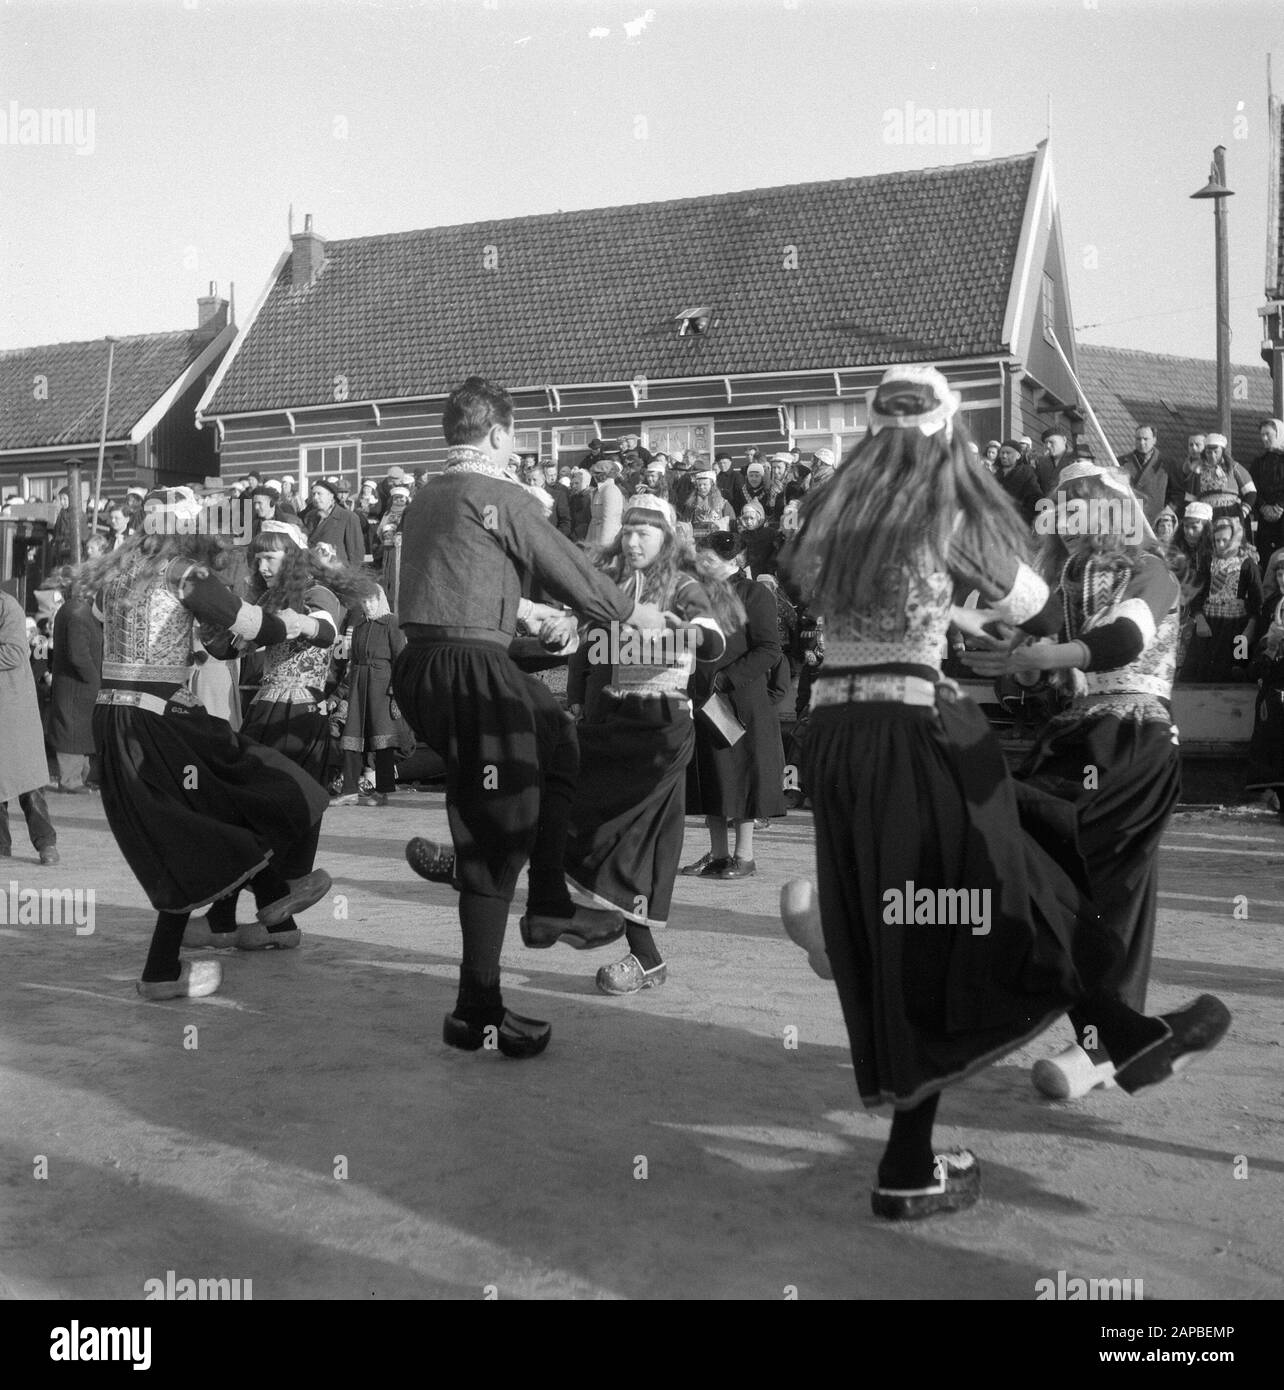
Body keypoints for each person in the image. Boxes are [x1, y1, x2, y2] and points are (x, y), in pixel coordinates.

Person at [780, 366, 1231, 1219]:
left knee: (937, 904)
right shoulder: (943, 502)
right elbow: (1029, 603)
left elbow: (869, 606)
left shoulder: (835, 510)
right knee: (1010, 888)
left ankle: (926, 1136)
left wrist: (948, 619)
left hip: (835, 735)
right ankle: (1117, 1035)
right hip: (919, 724)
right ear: (945, 431)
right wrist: (1000, 616)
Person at [391, 377, 669, 1059]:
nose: (516, 451)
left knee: (550, 742)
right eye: (514, 439)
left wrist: (522, 612)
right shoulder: (498, 493)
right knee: (501, 831)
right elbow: (567, 567)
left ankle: (539, 907)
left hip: (425, 668)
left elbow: (449, 579)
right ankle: (493, 982)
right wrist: (634, 613)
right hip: (471, 670)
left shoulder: (425, 499)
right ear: (495, 434)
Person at [966, 462, 1225, 1099]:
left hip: (1131, 743)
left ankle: (1105, 1046)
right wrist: (1021, 666)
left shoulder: (1151, 570)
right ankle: (1120, 1042)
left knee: (1089, 884)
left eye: (1080, 504)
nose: (1068, 516)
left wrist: (1047, 654)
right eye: (1062, 505)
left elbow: (1124, 640)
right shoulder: (1063, 579)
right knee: (1076, 886)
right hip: (1076, 738)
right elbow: (1041, 666)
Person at [77, 488, 335, 997]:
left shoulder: (117, 577)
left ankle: (265, 915)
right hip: (157, 718)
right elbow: (247, 623)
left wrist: (237, 631)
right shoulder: (184, 572)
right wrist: (305, 625)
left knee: (205, 817)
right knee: (244, 788)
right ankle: (270, 903)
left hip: (121, 718)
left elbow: (214, 640)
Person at [563, 495, 735, 992]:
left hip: (662, 726)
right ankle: (624, 939)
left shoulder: (683, 586)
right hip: (613, 717)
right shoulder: (615, 586)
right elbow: (584, 642)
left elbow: (711, 637)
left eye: (645, 532)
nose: (633, 541)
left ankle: (639, 952)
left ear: (668, 538)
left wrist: (692, 633)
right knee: (579, 813)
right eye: (628, 532)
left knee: (634, 838)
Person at [682, 531, 785, 881]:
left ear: (735, 561)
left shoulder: (755, 593)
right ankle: (718, 853)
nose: (702, 564)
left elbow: (769, 649)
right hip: (700, 697)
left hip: (739, 700)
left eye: (709, 559)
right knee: (710, 775)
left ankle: (745, 856)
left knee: (741, 776)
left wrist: (726, 679)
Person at [330, 584, 407, 808]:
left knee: (383, 742)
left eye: (372, 600)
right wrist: (338, 694)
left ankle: (382, 792)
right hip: (359, 688)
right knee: (351, 739)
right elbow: (353, 664)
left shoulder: (392, 623)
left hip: (382, 689)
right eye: (364, 601)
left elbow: (400, 660)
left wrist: (395, 691)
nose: (368, 605)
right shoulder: (360, 627)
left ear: (380, 599)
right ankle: (349, 791)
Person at [0, 588, 60, 865]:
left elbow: (14, 653)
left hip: (12, 708)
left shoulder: (7, 606)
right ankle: (2, 848)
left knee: (28, 782)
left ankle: (46, 843)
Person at [48, 563, 104, 794]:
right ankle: (70, 780)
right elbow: (78, 654)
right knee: (72, 732)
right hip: (77, 687)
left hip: (76, 686)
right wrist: (94, 680)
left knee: (79, 733)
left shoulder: (72, 610)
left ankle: (79, 778)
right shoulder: (78, 613)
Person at [1187, 515, 1261, 682]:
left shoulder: (1248, 564)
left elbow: (1258, 600)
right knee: (1203, 673)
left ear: (1235, 538)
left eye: (1225, 540)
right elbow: (1197, 592)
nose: (1220, 545)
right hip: (1209, 625)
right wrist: (1200, 619)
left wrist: (1250, 629)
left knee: (1236, 667)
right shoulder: (1208, 562)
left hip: (1237, 627)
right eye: (1217, 540)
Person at [1244, 549, 1284, 815]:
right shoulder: (1272, 604)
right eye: (1279, 574)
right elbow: (1261, 642)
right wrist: (1268, 647)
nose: (1282, 579)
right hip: (1274, 684)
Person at [304, 478, 366, 566]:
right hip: (313, 572)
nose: (315, 497)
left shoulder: (348, 517)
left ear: (331, 496)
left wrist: (349, 576)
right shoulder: (310, 517)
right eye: (313, 494)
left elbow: (356, 553)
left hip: (337, 574)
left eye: (319, 494)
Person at [1250, 419, 1284, 560]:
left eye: (1268, 434)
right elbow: (1252, 488)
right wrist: (1263, 507)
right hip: (1265, 518)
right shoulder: (1258, 462)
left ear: (1279, 434)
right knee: (1265, 555)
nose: (1264, 438)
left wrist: (1281, 506)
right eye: (1262, 434)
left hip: (1283, 515)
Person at [586, 458, 625, 548]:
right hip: (594, 538)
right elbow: (594, 520)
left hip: (607, 540)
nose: (594, 476)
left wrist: (604, 547)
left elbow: (610, 521)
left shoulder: (610, 490)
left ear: (603, 475)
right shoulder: (600, 490)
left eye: (596, 473)